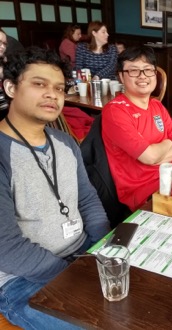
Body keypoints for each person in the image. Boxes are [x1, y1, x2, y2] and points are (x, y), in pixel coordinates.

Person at [0, 47, 110, 329]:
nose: (53, 94)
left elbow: (87, 199)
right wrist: (75, 275)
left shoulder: (65, 142)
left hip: (81, 252)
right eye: (39, 84)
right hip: (19, 279)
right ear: (10, 87)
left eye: (60, 88)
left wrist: (104, 248)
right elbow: (6, 247)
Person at [102, 46, 172, 212]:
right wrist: (169, 142)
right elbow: (149, 156)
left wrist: (157, 156)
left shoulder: (156, 105)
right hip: (144, 193)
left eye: (148, 70)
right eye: (133, 71)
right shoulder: (115, 111)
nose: (143, 76)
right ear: (121, 76)